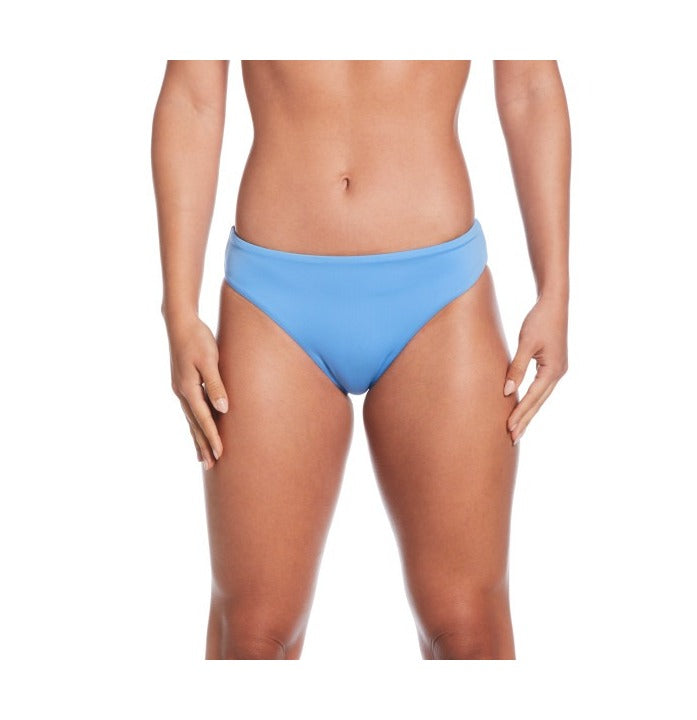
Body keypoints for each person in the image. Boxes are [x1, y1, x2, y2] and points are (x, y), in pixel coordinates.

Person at [151, 60, 570, 660]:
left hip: (439, 295)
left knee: (468, 628)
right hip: (272, 299)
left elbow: (530, 85)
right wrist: (178, 309)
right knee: (251, 634)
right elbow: (193, 96)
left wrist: (555, 291)